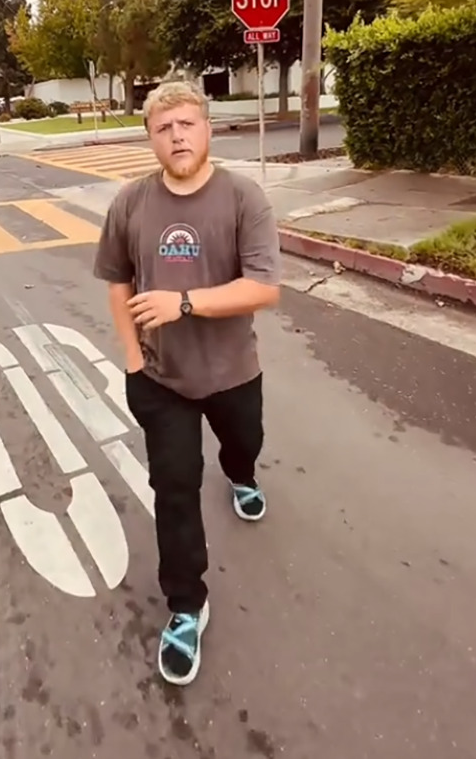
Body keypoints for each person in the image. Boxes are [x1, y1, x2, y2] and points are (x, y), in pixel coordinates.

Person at [93, 80, 281, 686]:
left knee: (243, 444)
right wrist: (130, 359)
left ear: (206, 129)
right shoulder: (130, 204)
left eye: (186, 124)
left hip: (232, 373)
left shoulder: (244, 197)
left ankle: (243, 473)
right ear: (150, 138)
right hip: (161, 379)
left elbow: (264, 287)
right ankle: (185, 604)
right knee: (173, 488)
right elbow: (118, 282)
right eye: (162, 127)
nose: (176, 135)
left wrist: (185, 303)